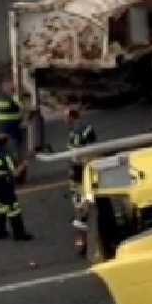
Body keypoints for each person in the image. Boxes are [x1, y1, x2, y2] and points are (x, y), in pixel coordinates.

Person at [0, 133, 33, 241]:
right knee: (14, 210)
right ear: (6, 142)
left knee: (1, 208)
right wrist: (24, 165)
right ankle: (19, 234)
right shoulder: (6, 156)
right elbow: (15, 173)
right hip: (6, 185)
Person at [65, 108, 96, 255]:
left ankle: (83, 240)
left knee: (81, 205)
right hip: (82, 172)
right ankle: (83, 237)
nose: (65, 121)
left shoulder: (77, 133)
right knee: (85, 203)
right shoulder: (85, 129)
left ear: (73, 117)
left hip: (79, 173)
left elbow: (81, 154)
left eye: (66, 117)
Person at [0, 80, 24, 156]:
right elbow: (22, 108)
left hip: (1, 127)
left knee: (2, 147)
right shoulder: (14, 97)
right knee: (16, 144)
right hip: (12, 126)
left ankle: (3, 161)